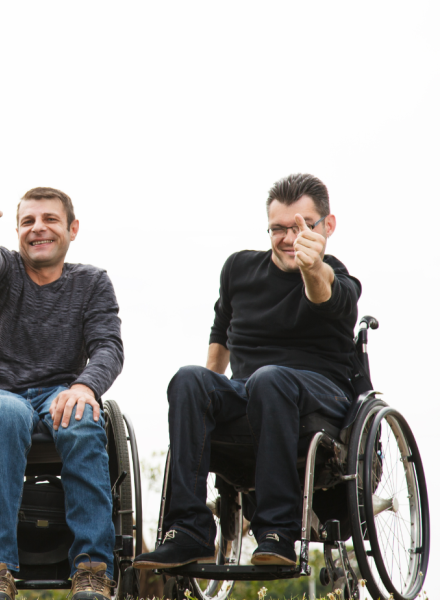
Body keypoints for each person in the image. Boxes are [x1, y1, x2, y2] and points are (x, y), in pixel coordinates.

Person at [133, 173, 360, 569]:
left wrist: (312, 267)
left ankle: (277, 532)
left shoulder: (337, 277)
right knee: (189, 379)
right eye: (279, 228)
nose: (290, 238)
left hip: (322, 396)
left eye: (302, 226)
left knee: (269, 378)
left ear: (328, 226)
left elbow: (321, 292)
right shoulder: (238, 268)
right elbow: (221, 334)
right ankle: (188, 530)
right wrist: (206, 395)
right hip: (250, 393)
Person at [0, 172, 124, 600]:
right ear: (15, 231)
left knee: (83, 417)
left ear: (72, 229)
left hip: (60, 391)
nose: (38, 228)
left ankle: (92, 568)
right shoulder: (1, 271)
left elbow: (108, 346)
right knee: (9, 413)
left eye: (50, 219)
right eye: (28, 221)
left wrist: (86, 387)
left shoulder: (91, 282)